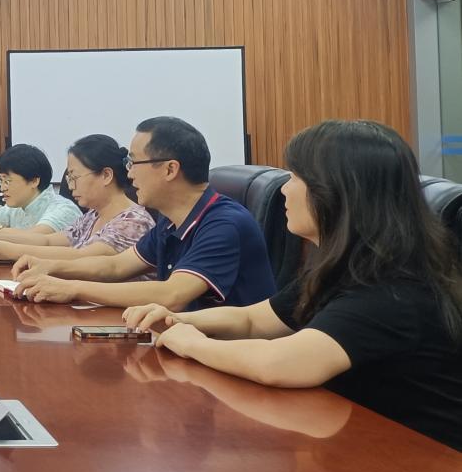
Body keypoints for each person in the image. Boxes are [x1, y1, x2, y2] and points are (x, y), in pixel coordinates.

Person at [124, 120, 462, 451]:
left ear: (336, 193)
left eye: (295, 177)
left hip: (424, 465)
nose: (284, 189)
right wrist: (176, 319)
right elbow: (253, 320)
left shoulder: (392, 288)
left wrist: (192, 343)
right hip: (363, 446)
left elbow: (279, 363)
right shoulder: (345, 267)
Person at [12, 116, 275, 311]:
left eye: (133, 162)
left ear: (170, 169)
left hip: (228, 353)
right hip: (184, 341)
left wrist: (72, 288)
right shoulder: (170, 222)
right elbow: (116, 266)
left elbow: (172, 294)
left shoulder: (224, 224)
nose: (128, 173)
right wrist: (52, 267)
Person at [0, 134, 154, 262]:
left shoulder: (133, 221)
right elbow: (48, 241)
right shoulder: (92, 216)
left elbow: (81, 257)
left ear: (106, 175)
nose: (70, 186)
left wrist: (9, 250)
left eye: (74, 177)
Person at [0, 143, 82, 234]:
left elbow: (33, 238)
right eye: (1, 181)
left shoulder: (64, 209)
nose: (2, 188)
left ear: (34, 181)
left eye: (8, 181)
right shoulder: (16, 207)